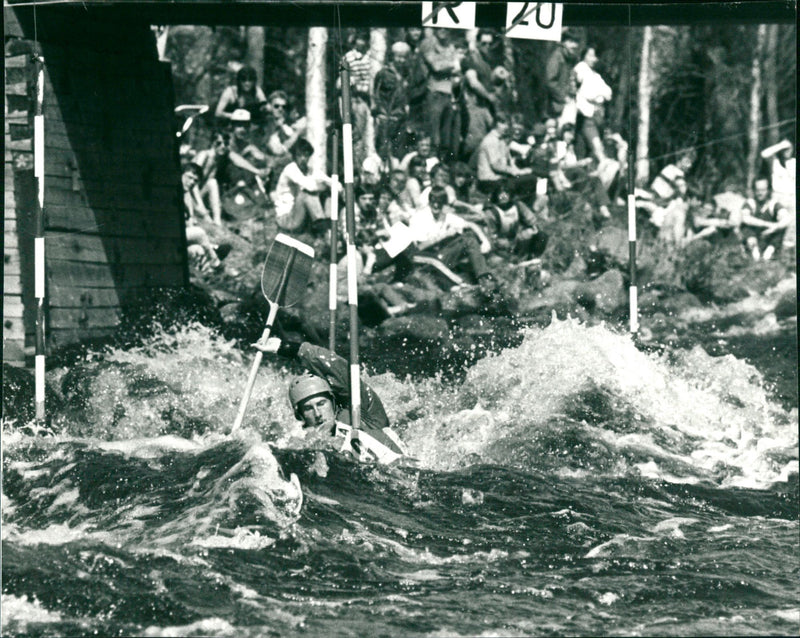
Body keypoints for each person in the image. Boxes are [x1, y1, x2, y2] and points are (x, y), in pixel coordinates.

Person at [253, 338, 407, 465]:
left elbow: (339, 370)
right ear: (300, 416)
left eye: (321, 403)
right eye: (308, 408)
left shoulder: (362, 414)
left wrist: (289, 348)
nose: (318, 414)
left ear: (333, 403)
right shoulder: (306, 444)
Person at [192, 132, 268, 224]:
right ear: (213, 143)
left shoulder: (219, 157)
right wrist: (201, 208)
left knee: (212, 182)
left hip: (200, 193)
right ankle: (205, 214)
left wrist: (257, 171)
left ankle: (217, 221)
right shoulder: (204, 155)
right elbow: (192, 183)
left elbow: (238, 160)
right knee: (212, 182)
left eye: (226, 144)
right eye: (219, 143)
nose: (222, 146)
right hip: (189, 194)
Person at [271, 138, 337, 234]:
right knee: (306, 194)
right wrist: (325, 185)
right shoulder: (290, 169)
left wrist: (330, 185)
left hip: (300, 214)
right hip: (286, 217)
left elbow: (334, 183)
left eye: (306, 155)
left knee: (328, 193)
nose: (303, 159)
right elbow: (310, 187)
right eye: (299, 155)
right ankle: (322, 227)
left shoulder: (310, 170)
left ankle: (330, 223)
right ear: (294, 156)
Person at [418, 28, 461, 155]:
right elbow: (436, 66)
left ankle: (441, 167)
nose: (444, 31)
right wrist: (453, 63)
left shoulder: (450, 46)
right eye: (440, 27)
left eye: (447, 28)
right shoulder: (429, 43)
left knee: (446, 138)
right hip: (434, 92)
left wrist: (449, 65)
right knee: (433, 136)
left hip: (448, 93)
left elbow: (457, 70)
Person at [475, 111, 536, 196]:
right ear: (496, 124)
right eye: (503, 124)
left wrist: (520, 171)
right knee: (528, 181)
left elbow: (508, 161)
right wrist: (514, 172)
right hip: (489, 180)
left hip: (499, 178)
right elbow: (496, 165)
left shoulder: (501, 141)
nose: (506, 127)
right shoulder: (490, 140)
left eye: (508, 124)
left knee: (530, 177)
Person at [573, 46, 612, 163]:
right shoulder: (580, 69)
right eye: (590, 55)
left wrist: (601, 94)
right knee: (596, 147)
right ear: (584, 56)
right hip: (587, 115)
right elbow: (588, 93)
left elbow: (609, 92)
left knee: (590, 150)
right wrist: (600, 94)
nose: (593, 59)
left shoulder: (595, 75)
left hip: (597, 115)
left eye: (594, 56)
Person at [373, 41, 411, 162]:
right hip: (386, 117)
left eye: (404, 57)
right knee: (383, 150)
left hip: (400, 117)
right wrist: (380, 112)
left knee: (398, 151)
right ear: (392, 56)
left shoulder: (406, 73)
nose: (401, 60)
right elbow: (376, 94)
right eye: (398, 57)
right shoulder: (384, 73)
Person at [740, 177, 791, 261]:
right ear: (754, 190)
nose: (760, 193)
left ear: (769, 190)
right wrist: (769, 225)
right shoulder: (750, 203)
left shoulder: (773, 204)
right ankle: (754, 253)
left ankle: (768, 254)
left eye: (763, 190)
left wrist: (776, 227)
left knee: (782, 227)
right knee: (745, 226)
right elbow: (745, 218)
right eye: (757, 190)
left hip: (768, 238)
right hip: (753, 238)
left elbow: (787, 218)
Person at [545, 29, 581, 125]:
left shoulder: (571, 59)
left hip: (569, 103)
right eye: (571, 42)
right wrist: (563, 97)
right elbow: (550, 81)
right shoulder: (556, 57)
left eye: (576, 42)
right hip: (557, 106)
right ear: (563, 43)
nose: (574, 45)